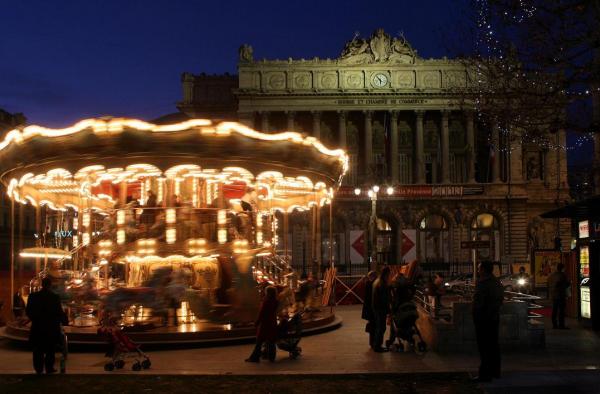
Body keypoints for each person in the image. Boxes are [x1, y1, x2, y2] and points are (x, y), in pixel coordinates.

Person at [25, 276, 68, 374]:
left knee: (37, 349)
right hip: (51, 327)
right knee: (50, 349)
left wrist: (35, 319)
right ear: (50, 285)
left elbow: (28, 311)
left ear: (42, 285)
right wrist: (62, 321)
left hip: (37, 326)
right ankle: (49, 368)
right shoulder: (54, 297)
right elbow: (59, 312)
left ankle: (38, 369)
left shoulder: (32, 296)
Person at [472, 261, 504, 382]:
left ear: (484, 270)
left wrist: (476, 315)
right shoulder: (497, 282)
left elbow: (479, 303)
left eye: (479, 269)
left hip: (483, 319)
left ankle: (485, 374)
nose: (478, 271)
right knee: (493, 345)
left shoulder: (483, 283)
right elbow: (500, 299)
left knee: (484, 347)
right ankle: (495, 371)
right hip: (494, 318)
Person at [246, 286, 279, 363]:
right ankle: (271, 357)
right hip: (272, 322)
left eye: (266, 291)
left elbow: (262, 313)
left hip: (265, 323)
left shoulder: (266, 301)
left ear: (268, 293)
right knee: (271, 341)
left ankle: (255, 357)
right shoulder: (276, 301)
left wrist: (257, 322)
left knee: (259, 341)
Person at [371, 266, 391, 352]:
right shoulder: (382, 284)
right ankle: (377, 346)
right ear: (386, 274)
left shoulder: (377, 281)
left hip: (376, 308)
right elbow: (384, 299)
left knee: (379, 327)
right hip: (380, 309)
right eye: (389, 274)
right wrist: (388, 310)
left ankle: (376, 345)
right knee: (381, 327)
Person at [548, 263, 570, 329]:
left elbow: (549, 284)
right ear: (562, 268)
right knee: (561, 311)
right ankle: (561, 325)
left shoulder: (552, 275)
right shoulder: (562, 275)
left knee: (554, 310)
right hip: (560, 295)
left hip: (554, 295)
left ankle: (554, 325)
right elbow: (565, 284)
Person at [361, 271, 377, 348]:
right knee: (374, 326)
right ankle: (373, 342)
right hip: (371, 309)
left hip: (368, 309)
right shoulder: (371, 285)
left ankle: (372, 342)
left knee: (372, 326)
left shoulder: (368, 284)